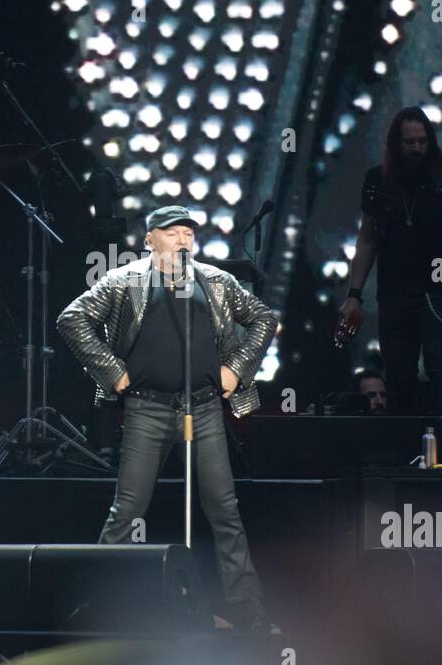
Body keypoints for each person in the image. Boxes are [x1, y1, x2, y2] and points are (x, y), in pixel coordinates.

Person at [57, 206, 280, 633]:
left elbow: (264, 319)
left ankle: (249, 612)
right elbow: (72, 319)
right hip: (147, 409)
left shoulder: (214, 282)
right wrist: (111, 370)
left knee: (225, 511)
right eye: (172, 232)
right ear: (149, 240)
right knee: (127, 511)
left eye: (188, 233)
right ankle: (103, 608)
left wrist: (237, 367)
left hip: (205, 408)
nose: (182, 240)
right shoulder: (126, 280)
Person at [338, 107, 442, 463]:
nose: (417, 148)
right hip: (395, 290)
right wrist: (354, 294)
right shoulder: (378, 180)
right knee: (399, 372)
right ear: (397, 143)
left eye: (423, 141)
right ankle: (406, 452)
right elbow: (366, 241)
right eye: (409, 142)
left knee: (441, 369)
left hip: (441, 289)